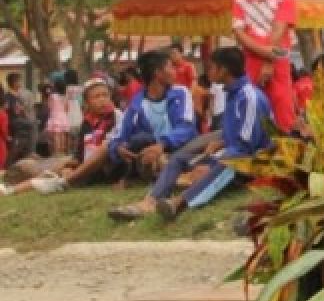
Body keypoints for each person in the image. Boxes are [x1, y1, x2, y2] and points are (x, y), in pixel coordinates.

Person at [153, 46, 273, 221]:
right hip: (232, 153)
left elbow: (244, 149)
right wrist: (220, 143)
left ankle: (180, 202)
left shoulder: (249, 97)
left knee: (228, 162)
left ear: (223, 70)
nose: (208, 72)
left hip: (253, 163)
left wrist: (212, 164)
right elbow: (235, 134)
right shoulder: (233, 94)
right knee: (180, 158)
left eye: (211, 67)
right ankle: (152, 198)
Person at [104, 49, 198, 218]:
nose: (174, 71)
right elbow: (119, 134)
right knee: (140, 140)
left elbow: (187, 128)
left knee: (170, 156)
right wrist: (117, 148)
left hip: (179, 150)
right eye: (170, 67)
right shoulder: (137, 103)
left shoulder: (180, 93)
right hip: (150, 158)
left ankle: (156, 189)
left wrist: (162, 144)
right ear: (158, 73)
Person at [1, 79, 125, 196]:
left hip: (106, 167)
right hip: (85, 165)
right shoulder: (87, 122)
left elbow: (116, 147)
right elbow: (80, 154)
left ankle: (65, 181)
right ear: (87, 102)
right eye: (96, 97)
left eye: (105, 95)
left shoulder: (117, 116)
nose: (102, 100)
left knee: (104, 147)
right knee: (56, 169)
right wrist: (68, 166)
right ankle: (11, 190)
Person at [231, 0, 297, 132]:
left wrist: (269, 61)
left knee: (282, 106)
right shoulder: (239, 2)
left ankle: (287, 146)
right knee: (251, 109)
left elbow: (279, 30)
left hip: (279, 60)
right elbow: (239, 32)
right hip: (250, 61)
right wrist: (264, 53)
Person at [45, 80, 70, 155]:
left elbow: (49, 106)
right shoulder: (65, 97)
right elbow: (67, 108)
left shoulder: (52, 96)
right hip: (63, 116)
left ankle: (56, 152)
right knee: (63, 135)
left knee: (56, 135)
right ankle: (62, 152)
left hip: (55, 115)